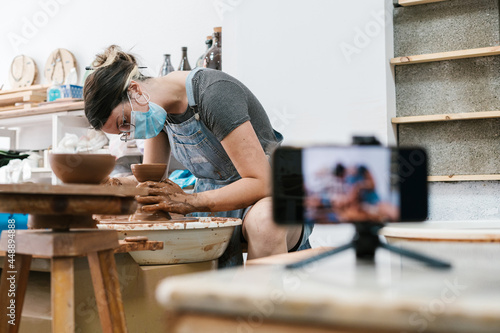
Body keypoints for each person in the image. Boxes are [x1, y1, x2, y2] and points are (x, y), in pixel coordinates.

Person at [83, 45, 313, 266]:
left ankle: (257, 305)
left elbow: (262, 182)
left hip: (271, 194)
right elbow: (150, 181)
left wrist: (189, 201)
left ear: (134, 89)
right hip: (214, 200)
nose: (130, 132)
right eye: (123, 133)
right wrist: (109, 185)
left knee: (265, 221)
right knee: (146, 225)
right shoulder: (155, 113)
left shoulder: (213, 92)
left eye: (124, 122)